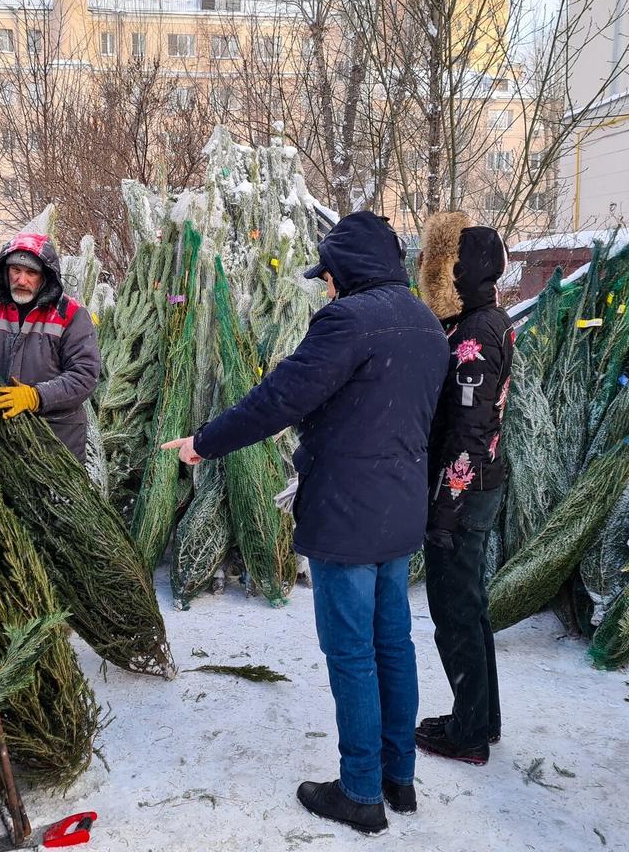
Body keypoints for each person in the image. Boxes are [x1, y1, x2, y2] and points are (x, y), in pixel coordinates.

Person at [164, 211, 449, 836]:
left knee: (351, 652)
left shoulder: (349, 320)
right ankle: (398, 778)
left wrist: (205, 442)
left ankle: (360, 792)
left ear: (346, 272)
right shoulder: (426, 322)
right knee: (392, 643)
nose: (324, 287)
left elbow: (280, 398)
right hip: (401, 508)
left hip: (348, 513)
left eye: (328, 276)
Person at [415, 226, 514, 766]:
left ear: (473, 271)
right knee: (472, 609)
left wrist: (445, 512)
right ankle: (481, 717)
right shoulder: (489, 321)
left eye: (454, 265)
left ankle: (468, 734)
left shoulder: (475, 336)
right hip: (480, 485)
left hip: (464, 489)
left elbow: (470, 432)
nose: (446, 273)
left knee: (454, 613)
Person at [0, 231, 101, 462]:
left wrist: (35, 396)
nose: (22, 280)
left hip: (54, 446)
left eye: (31, 272)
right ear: (5, 271)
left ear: (45, 277)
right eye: (16, 270)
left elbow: (85, 376)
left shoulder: (70, 314)